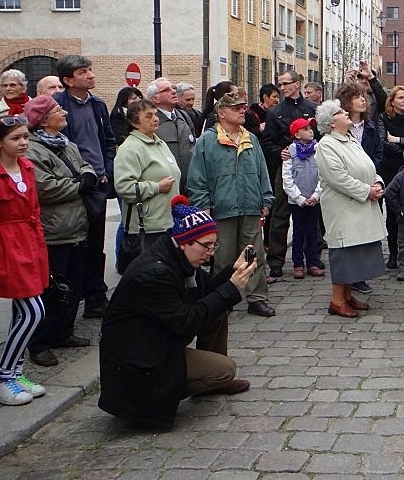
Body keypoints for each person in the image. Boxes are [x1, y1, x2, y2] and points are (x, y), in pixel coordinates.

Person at [98, 196, 256, 430]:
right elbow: (187, 322)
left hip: (155, 342)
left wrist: (230, 274)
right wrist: (232, 288)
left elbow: (206, 293)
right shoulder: (155, 273)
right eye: (206, 246)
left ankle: (210, 379)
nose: (211, 253)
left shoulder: (177, 257)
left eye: (214, 246)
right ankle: (202, 383)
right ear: (184, 242)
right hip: (139, 364)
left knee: (218, 309)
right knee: (225, 369)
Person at [187, 92, 276, 317]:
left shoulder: (250, 138)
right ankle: (222, 299)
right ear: (221, 113)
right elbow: (197, 178)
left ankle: (257, 298)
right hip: (221, 208)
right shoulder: (207, 140)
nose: (242, 111)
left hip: (249, 206)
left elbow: (261, 171)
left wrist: (265, 198)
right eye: (236, 108)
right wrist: (203, 205)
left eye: (243, 107)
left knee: (254, 254)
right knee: (223, 258)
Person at [23, 95, 95, 367]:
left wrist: (85, 175)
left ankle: (63, 332)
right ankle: (40, 343)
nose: (64, 112)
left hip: (76, 227)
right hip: (54, 231)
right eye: (57, 110)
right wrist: (78, 186)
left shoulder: (67, 143)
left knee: (73, 287)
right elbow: (45, 187)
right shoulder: (33, 150)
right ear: (43, 120)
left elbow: (84, 165)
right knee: (51, 290)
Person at [0, 116, 49, 405]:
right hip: (8, 244)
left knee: (21, 312)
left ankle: (15, 372)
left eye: (25, 136)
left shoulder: (26, 166)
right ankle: (0, 377)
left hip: (30, 240)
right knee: (34, 311)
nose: (23, 142)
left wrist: (38, 243)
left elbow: (34, 207)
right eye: (16, 138)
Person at [54, 55, 116, 319]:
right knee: (75, 247)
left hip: (98, 185)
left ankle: (95, 297)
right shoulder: (57, 107)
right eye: (83, 72)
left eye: (90, 70)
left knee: (95, 244)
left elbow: (108, 141)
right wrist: (79, 177)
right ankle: (70, 299)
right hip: (74, 186)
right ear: (68, 80)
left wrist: (106, 171)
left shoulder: (98, 105)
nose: (90, 75)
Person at [315, 100, 387, 318]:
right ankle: (337, 300)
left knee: (356, 252)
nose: (345, 113)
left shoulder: (349, 139)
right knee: (344, 252)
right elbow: (338, 178)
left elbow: (368, 167)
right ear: (331, 123)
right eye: (339, 112)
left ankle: (347, 296)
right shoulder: (327, 145)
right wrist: (367, 191)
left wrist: (378, 183)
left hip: (360, 205)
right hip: (343, 208)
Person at [261, 70, 317, 279]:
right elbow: (268, 142)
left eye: (286, 84)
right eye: (280, 84)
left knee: (313, 211)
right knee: (280, 214)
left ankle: (313, 258)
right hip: (285, 168)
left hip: (311, 168)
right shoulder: (275, 112)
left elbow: (319, 137)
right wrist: (281, 152)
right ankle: (276, 261)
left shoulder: (312, 109)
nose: (282, 88)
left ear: (297, 83)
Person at [113, 99, 180, 272]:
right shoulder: (130, 148)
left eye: (156, 114)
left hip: (167, 222)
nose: (155, 119)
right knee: (150, 276)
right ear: (134, 122)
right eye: (148, 116)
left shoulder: (160, 143)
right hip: (147, 229)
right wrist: (156, 187)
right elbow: (124, 188)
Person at [335, 80, 383, 294]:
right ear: (346, 102)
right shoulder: (338, 130)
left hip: (370, 185)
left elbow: (377, 154)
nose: (363, 100)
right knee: (350, 235)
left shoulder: (371, 127)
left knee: (366, 233)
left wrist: (373, 179)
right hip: (348, 190)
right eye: (357, 96)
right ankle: (347, 281)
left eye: (364, 96)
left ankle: (361, 276)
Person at [282, 117, 325, 279]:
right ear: (297, 134)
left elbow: (323, 174)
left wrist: (316, 195)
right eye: (306, 129)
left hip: (314, 199)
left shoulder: (318, 149)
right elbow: (287, 179)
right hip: (297, 201)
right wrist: (299, 198)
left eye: (310, 128)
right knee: (298, 233)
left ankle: (313, 262)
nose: (310, 131)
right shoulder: (290, 151)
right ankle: (298, 264)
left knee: (313, 232)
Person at [377, 86, 404, 269]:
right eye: (400, 97)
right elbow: (383, 143)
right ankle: (393, 254)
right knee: (392, 213)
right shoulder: (384, 118)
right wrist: (403, 144)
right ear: (392, 100)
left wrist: (399, 141)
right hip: (388, 169)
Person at [145, 78, 194, 194]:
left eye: (173, 88)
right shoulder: (150, 122)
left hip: (189, 187)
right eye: (166, 90)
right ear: (155, 98)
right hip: (165, 188)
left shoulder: (184, 117)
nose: (173, 91)